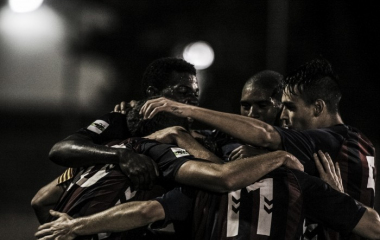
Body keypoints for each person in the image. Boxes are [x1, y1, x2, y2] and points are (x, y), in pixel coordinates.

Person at [139, 58, 376, 239]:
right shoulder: (359, 144)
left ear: (318, 108)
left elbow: (263, 136)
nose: (285, 116)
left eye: (289, 108)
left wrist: (186, 110)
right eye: (245, 106)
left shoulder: (320, 142)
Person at [35, 98, 303, 240]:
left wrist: (63, 227)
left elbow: (41, 199)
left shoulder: (103, 151)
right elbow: (223, 176)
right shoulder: (160, 153)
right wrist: (279, 156)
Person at [34, 150, 380, 240]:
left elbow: (144, 213)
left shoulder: (205, 185)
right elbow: (372, 227)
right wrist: (338, 197)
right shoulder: (303, 183)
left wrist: (76, 226)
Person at [31, 57, 200, 224]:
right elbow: (60, 150)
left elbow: (224, 178)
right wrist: (120, 155)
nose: (192, 100)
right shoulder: (124, 121)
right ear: (153, 93)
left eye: (195, 94)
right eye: (183, 92)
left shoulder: (196, 139)